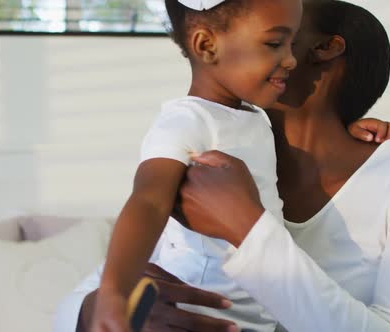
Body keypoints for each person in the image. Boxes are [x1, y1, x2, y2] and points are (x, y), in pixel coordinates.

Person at [55, 0, 390, 331]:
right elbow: (77, 302)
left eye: (286, 35)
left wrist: (248, 227)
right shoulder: (209, 148)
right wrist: (99, 311)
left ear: (324, 48)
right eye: (272, 39)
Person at [88, 0, 303, 330]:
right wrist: (114, 291)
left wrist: (356, 130)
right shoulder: (186, 121)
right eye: (275, 43)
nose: (291, 59)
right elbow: (148, 200)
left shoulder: (256, 117)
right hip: (203, 313)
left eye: (293, 43)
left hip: (261, 315)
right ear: (207, 46)